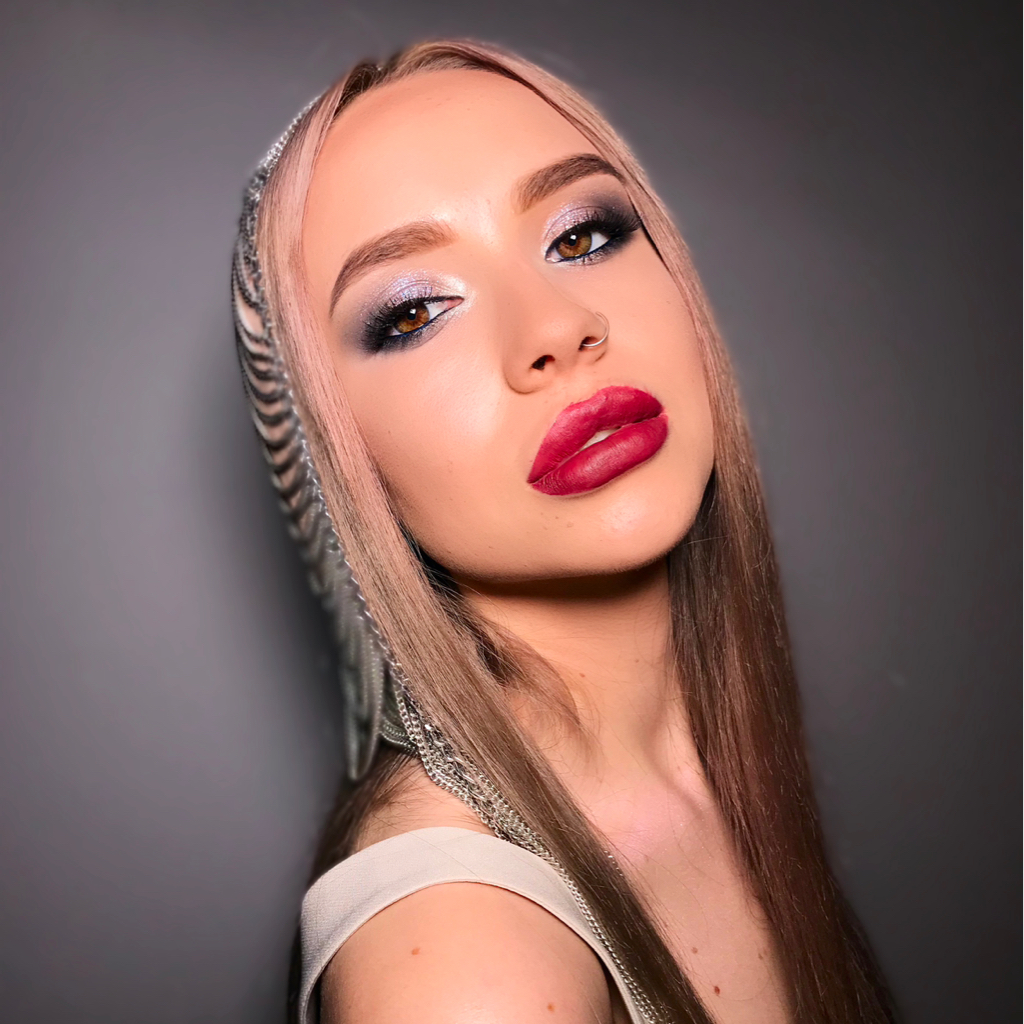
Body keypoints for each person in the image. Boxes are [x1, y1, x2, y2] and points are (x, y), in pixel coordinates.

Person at [232, 39, 895, 1024]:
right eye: (414, 312)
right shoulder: (461, 965)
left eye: (580, 235)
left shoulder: (713, 779)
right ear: (339, 461)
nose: (555, 327)